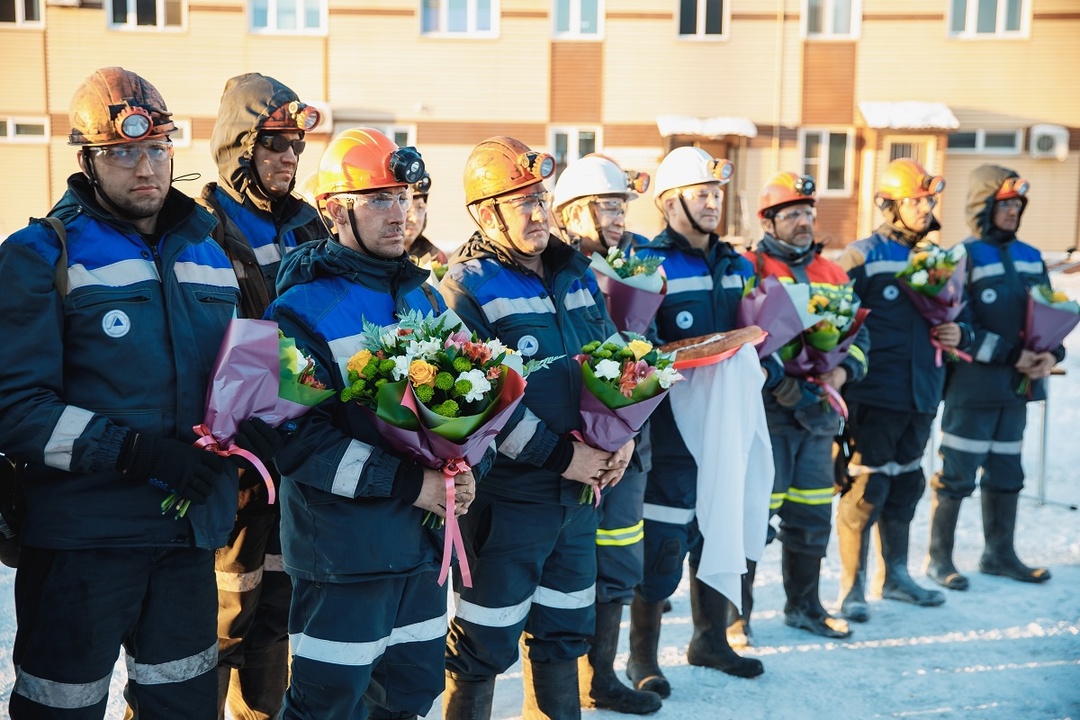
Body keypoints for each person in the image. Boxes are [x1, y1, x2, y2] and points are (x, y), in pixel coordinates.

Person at [0, 66, 279, 720]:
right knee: (60, 708)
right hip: (81, 545)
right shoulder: (42, 254)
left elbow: (245, 371)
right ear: (88, 160)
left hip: (188, 544)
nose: (145, 167)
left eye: (157, 149)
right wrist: (139, 455)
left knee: (182, 707)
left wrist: (260, 430)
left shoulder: (210, 251)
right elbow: (15, 411)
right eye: (123, 152)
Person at [263, 128, 476, 720]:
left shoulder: (428, 301)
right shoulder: (295, 310)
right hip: (343, 555)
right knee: (328, 705)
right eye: (380, 199)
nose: (400, 214)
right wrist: (414, 485)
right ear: (335, 211)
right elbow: (292, 437)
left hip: (421, 548)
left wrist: (462, 469)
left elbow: (468, 410)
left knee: (411, 693)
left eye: (409, 198)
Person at [440, 136, 634, 720]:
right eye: (520, 201)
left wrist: (625, 433)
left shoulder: (575, 273)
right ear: (485, 213)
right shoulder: (464, 287)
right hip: (510, 503)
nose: (537, 212)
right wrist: (560, 457)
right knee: (483, 644)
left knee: (564, 634)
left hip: (577, 500)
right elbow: (473, 406)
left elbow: (620, 359)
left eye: (540, 198)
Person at [199, 72, 330, 720]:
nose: (288, 159)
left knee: (278, 604)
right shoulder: (201, 226)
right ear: (239, 144)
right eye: (275, 143)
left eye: (296, 147)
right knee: (222, 612)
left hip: (297, 455)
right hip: (231, 461)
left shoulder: (312, 225)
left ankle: (262, 713)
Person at [626, 147, 775, 698]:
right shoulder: (647, 262)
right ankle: (643, 658)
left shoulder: (738, 262)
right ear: (669, 203)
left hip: (726, 425)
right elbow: (634, 341)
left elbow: (753, 331)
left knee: (722, 525)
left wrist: (773, 363)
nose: (713, 203)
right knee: (664, 540)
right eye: (701, 194)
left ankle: (710, 640)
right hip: (668, 430)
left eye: (717, 194)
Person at [835, 158, 972, 623]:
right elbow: (833, 323)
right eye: (916, 200)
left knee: (907, 484)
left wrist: (961, 336)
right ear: (890, 204)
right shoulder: (862, 256)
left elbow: (962, 318)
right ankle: (851, 588)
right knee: (867, 487)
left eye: (929, 199)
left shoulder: (939, 259)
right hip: (873, 395)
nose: (924, 207)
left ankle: (895, 577)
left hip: (923, 392)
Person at [552, 155, 662, 715]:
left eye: (622, 206)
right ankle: (561, 686)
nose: (620, 217)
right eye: (609, 205)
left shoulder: (637, 269)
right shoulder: (555, 271)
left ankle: (604, 677)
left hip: (625, 449)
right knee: (566, 572)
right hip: (569, 454)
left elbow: (655, 354)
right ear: (572, 211)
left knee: (619, 561)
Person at [742, 172, 870, 642]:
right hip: (768, 416)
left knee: (813, 514)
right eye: (792, 214)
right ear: (769, 221)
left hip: (819, 414)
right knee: (756, 516)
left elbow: (860, 338)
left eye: (808, 214)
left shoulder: (833, 272)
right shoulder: (749, 267)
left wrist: (841, 373)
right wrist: (779, 384)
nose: (803, 222)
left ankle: (805, 607)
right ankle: (739, 618)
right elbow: (745, 341)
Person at [927, 165, 1057, 590]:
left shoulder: (1031, 256)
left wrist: (1050, 353)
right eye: (1004, 204)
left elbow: (1051, 313)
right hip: (972, 388)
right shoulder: (961, 257)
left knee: (1007, 473)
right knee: (957, 475)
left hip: (1016, 391)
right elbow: (958, 328)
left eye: (1018, 204)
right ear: (983, 205)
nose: (1013, 211)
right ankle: (939, 559)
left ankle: (999, 554)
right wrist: (1013, 354)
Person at [404, 171, 450, 270]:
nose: (414, 219)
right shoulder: (369, 259)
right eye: (406, 207)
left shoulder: (435, 258)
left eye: (420, 207)